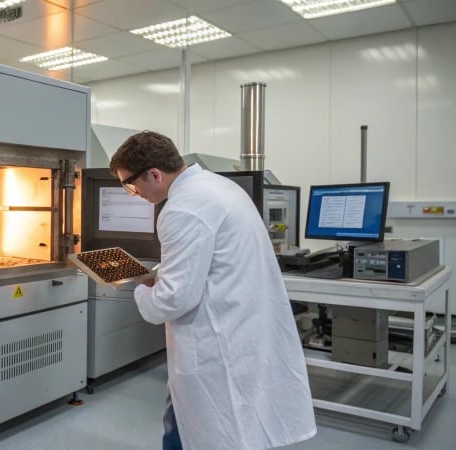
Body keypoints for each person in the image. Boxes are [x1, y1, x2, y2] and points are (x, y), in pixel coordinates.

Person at [109, 131, 316, 450]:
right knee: (218, 426)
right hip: (241, 331)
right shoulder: (218, 187)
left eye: (131, 184)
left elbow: (171, 301)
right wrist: (163, 273)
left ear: (154, 174)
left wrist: (140, 285)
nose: (134, 194)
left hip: (214, 347)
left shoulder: (181, 209)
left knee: (192, 429)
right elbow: (215, 258)